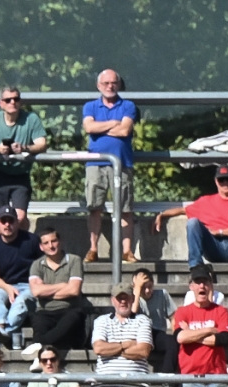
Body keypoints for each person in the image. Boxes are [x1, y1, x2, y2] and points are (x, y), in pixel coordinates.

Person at [156, 163, 228, 273]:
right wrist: (162, 215)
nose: (225, 183)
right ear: (216, 181)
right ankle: (196, 266)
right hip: (213, 248)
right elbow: (182, 210)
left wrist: (219, 232)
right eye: (221, 180)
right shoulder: (205, 201)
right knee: (192, 222)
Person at [81, 69, 138, 262]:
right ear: (98, 86)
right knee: (94, 207)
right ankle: (93, 249)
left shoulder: (128, 105)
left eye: (113, 82)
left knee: (125, 208)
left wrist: (100, 128)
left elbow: (124, 131)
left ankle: (127, 251)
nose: (110, 86)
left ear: (119, 84)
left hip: (122, 163)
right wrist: (114, 122)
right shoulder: (90, 106)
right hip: (95, 164)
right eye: (105, 83)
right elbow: (89, 127)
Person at [0, 87, 47, 230]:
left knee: (19, 218)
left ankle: (23, 242)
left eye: (16, 99)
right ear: (1, 103)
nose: (12, 102)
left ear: (20, 102)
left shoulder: (31, 119)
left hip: (20, 175)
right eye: (8, 100)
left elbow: (42, 144)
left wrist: (24, 148)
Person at [17, 224, 89, 362]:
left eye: (54, 241)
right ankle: (42, 352)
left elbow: (74, 290)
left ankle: (39, 347)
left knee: (74, 316)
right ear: (41, 247)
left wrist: (46, 291)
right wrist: (62, 285)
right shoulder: (36, 265)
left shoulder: (74, 260)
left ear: (60, 242)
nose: (51, 246)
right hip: (44, 311)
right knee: (38, 320)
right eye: (46, 243)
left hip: (68, 309)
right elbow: (36, 291)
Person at [0, 207, 41, 345]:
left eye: (11, 221)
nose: (7, 224)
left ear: (17, 222)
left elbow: (44, 264)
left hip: (30, 285)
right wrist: (8, 288)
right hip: (6, 284)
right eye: (3, 221)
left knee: (20, 303)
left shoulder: (32, 240)